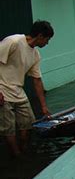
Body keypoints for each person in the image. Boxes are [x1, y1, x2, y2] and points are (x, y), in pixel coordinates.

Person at [0, 20, 54, 156]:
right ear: (40, 36)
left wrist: (43, 107)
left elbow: (37, 80)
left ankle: (23, 149)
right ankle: (16, 155)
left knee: (28, 122)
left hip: (18, 90)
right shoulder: (13, 42)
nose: (47, 43)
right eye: (47, 40)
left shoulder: (35, 54)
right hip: (3, 89)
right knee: (8, 128)